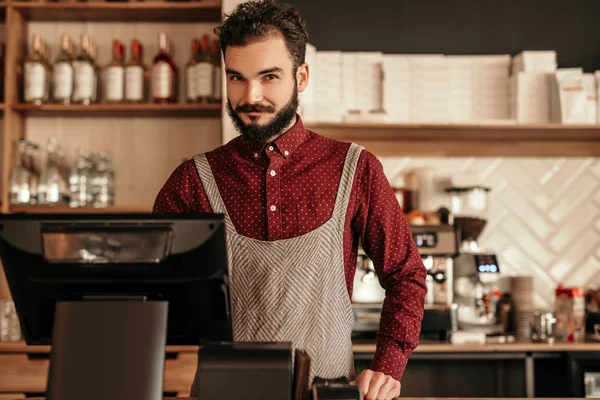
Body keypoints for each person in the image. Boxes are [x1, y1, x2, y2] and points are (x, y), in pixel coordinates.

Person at [153, 1, 427, 399]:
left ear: (301, 77)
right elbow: (154, 295)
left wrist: (387, 368)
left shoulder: (356, 169)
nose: (251, 96)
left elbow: (407, 275)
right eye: (237, 78)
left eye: (269, 77)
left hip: (328, 393)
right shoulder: (192, 181)